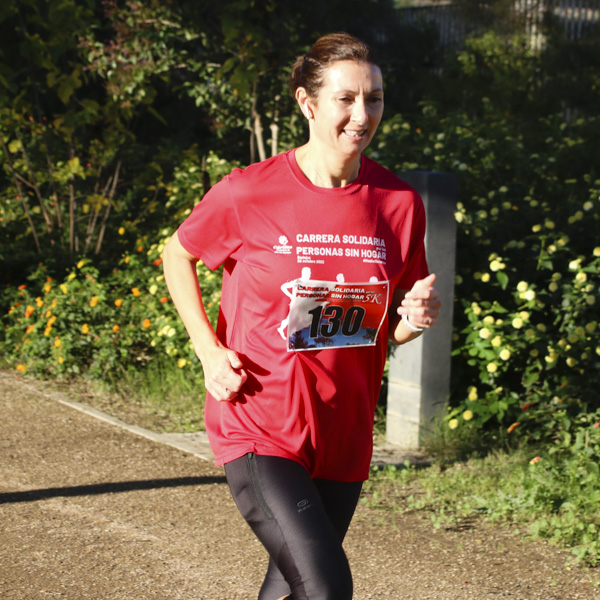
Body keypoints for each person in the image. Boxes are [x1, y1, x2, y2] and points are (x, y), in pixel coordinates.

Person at [161, 32, 441, 600]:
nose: (363, 115)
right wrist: (208, 350)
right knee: (326, 586)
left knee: (291, 585)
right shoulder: (250, 192)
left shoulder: (398, 202)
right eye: (346, 98)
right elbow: (178, 253)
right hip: (259, 423)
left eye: (376, 98)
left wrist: (416, 317)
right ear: (307, 103)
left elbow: (389, 330)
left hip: (344, 431)